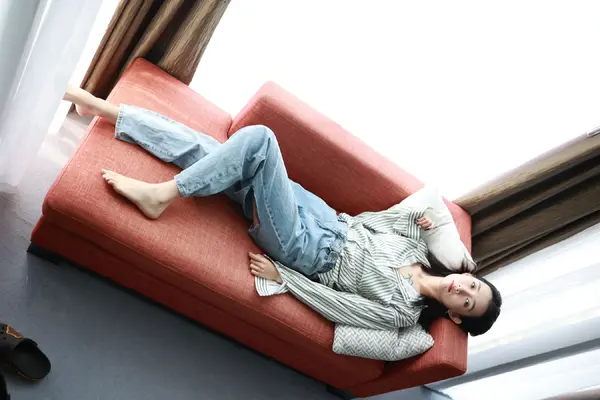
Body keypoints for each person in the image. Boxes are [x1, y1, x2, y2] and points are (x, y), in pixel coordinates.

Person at [64, 85, 501, 336]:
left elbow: (338, 307)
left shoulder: (401, 314)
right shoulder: (417, 249)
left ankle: (162, 196)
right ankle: (101, 109)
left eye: (468, 302)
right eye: (472, 285)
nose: (462, 288)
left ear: (456, 315)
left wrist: (285, 279)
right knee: (211, 151)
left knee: (260, 140)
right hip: (324, 216)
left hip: (306, 248)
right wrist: (414, 223)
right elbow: (368, 224)